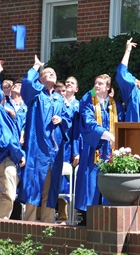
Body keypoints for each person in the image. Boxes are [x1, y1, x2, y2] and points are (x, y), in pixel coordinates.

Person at [20, 55, 71, 223]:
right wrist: (35, 67)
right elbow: (27, 85)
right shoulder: (35, 96)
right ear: (40, 79)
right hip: (37, 148)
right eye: (47, 73)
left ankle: (48, 226)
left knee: (50, 189)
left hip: (54, 151)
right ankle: (29, 225)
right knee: (34, 186)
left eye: (53, 72)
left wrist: (62, 120)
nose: (51, 74)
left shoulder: (58, 98)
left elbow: (68, 119)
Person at [0, 60, 26, 219]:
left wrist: (20, 154)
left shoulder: (7, 113)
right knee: (8, 195)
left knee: (6, 194)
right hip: (4, 156)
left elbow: (15, 137)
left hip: (12, 157)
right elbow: (7, 140)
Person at [74, 75, 118, 220]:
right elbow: (89, 123)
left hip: (109, 150)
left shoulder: (114, 104)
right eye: (95, 83)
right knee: (90, 181)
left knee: (107, 180)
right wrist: (108, 135)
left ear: (108, 88)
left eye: (100, 84)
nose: (96, 86)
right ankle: (87, 216)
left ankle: (105, 216)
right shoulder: (89, 102)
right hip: (92, 148)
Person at [56, 76, 79, 223]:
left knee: (69, 181)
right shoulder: (59, 103)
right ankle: (60, 214)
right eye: (67, 82)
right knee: (58, 179)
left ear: (76, 89)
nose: (68, 83)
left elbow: (77, 130)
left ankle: (70, 215)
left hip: (72, 145)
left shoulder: (79, 105)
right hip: (58, 145)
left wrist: (76, 151)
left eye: (72, 83)